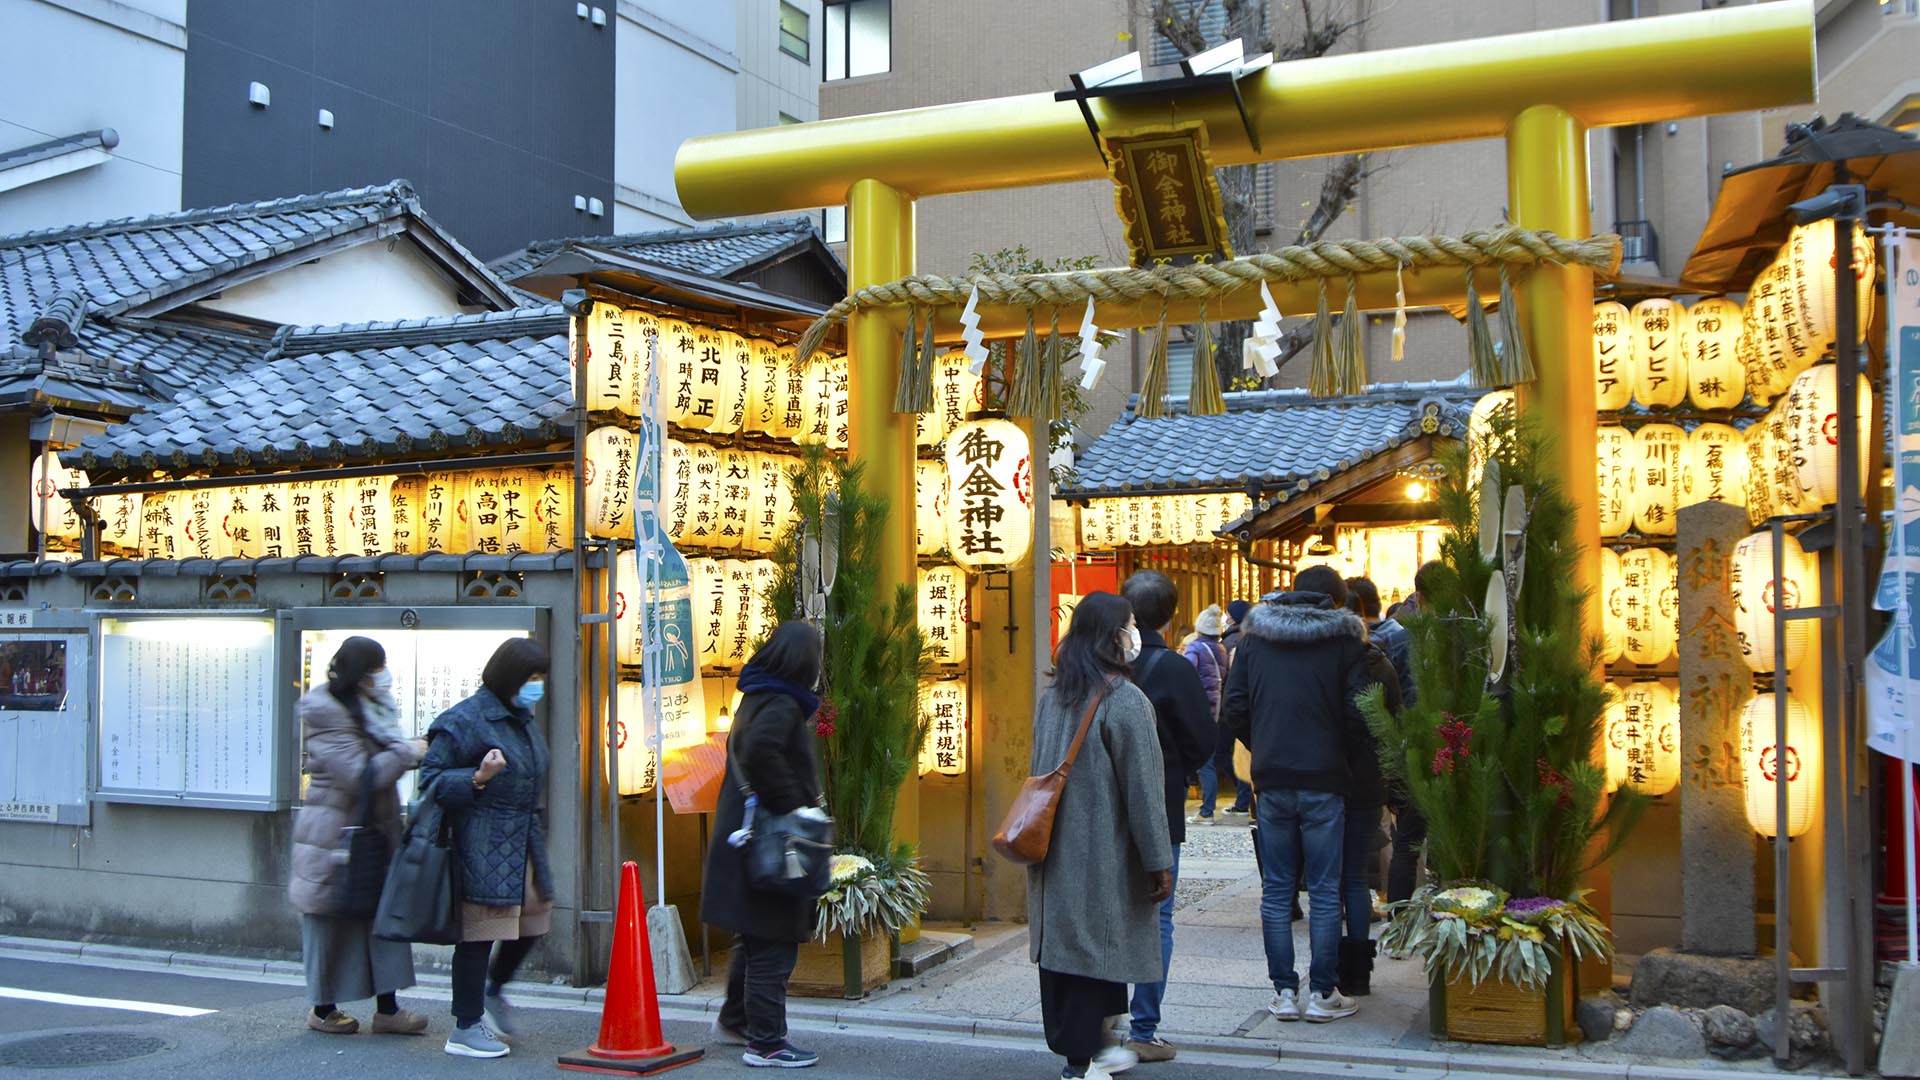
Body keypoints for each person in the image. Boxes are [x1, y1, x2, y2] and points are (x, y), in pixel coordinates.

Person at [1029, 591, 1174, 1080]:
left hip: (1052, 852)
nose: (1134, 634)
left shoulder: (1054, 696)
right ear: (1113, 636)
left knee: (1068, 950)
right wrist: (1158, 860)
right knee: (1099, 946)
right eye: (1129, 625)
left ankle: (1094, 1048)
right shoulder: (1126, 701)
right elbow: (1144, 793)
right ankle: (1084, 1059)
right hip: (1102, 852)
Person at [1223, 566, 1374, 1024]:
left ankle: (1285, 993)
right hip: (1326, 777)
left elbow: (1233, 708)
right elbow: (1358, 711)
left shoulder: (1253, 639)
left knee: (1278, 888)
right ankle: (1323, 992)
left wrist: (1263, 745)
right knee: (1326, 889)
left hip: (1271, 778)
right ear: (1335, 599)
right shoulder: (1346, 641)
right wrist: (1338, 752)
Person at [418, 637, 555, 1059]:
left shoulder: (521, 716)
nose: (537, 686)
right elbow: (431, 779)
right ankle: (465, 1025)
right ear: (509, 677)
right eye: (530, 678)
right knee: (480, 933)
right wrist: (478, 777)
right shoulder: (465, 720)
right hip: (481, 840)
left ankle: (494, 991)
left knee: (535, 917)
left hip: (522, 839)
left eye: (540, 679)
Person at [702, 621, 829, 1069]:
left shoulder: (756, 696)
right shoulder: (780, 703)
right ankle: (767, 1043)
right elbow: (761, 752)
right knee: (775, 940)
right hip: (772, 844)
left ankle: (737, 1020)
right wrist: (795, 806)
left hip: (746, 843)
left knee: (754, 938)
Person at [289, 636, 430, 1036]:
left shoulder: (372, 707)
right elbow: (360, 775)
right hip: (332, 836)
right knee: (327, 923)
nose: (382, 676)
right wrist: (408, 752)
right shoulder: (324, 711)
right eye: (375, 668)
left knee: (380, 920)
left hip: (372, 832)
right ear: (358, 672)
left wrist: (408, 749)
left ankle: (388, 1009)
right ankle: (322, 1009)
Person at [1116, 571, 1214, 1064]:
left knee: (1111, 910)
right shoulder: (1175, 668)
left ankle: (1103, 1019)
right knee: (1159, 914)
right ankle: (1144, 1026)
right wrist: (1177, 767)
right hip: (1160, 802)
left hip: (1105, 809)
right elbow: (1202, 737)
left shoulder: (1104, 664)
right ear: (1172, 615)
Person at [1386, 561, 1444, 906]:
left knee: (1407, 844)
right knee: (1449, 839)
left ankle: (1400, 920)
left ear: (1418, 596)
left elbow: (1389, 700)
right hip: (1457, 746)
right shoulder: (1469, 635)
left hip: (1413, 748)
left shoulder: (1399, 639)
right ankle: (1450, 914)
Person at [1185, 604, 1235, 827]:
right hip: (1217, 710)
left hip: (1199, 709)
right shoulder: (1221, 648)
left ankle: (1206, 812)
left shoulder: (1195, 648)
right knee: (1210, 761)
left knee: (1202, 764)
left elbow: (1185, 674)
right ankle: (1207, 809)